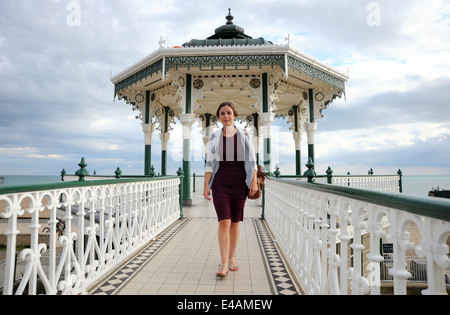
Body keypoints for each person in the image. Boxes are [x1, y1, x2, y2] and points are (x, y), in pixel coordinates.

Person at [203, 101, 258, 278]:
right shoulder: (214, 136)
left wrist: (254, 182)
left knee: (234, 221)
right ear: (219, 117)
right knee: (223, 221)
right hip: (220, 182)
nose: (226, 116)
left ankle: (232, 257)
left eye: (229, 113)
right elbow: (210, 162)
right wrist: (206, 185)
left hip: (239, 182)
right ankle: (224, 262)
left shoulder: (244, 134)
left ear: (234, 114)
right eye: (222, 113)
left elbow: (252, 160)